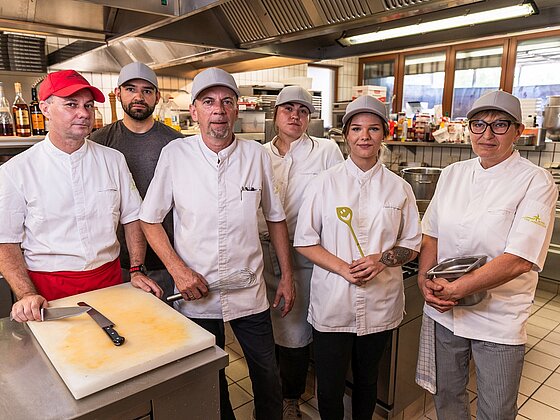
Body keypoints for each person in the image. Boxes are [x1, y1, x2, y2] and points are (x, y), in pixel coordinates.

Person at [139, 67, 295, 420]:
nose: (218, 110)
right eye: (208, 101)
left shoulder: (256, 155)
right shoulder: (176, 155)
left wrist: (287, 275)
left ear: (237, 109)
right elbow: (149, 219)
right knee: (212, 376)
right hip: (197, 289)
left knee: (267, 375)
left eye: (227, 101)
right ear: (194, 112)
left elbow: (276, 217)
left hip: (248, 287)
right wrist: (178, 271)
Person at [417, 90, 558, 420]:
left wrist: (456, 289)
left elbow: (520, 257)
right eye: (478, 125)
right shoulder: (453, 173)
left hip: (498, 318)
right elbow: (431, 234)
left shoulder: (536, 181)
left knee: (496, 410)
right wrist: (425, 279)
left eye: (500, 125)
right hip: (445, 311)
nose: (487, 134)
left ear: (518, 131)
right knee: (448, 397)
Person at [294, 95, 421, 420]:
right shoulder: (324, 184)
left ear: (384, 134)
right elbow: (305, 241)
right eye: (357, 129)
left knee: (368, 381)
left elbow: (412, 244)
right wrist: (343, 269)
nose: (365, 136)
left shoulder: (399, 188)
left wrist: (382, 259)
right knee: (331, 385)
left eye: (373, 129)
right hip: (334, 303)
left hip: (379, 304)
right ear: (346, 134)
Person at [0, 70, 162, 322]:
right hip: (49, 288)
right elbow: (5, 242)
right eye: (71, 104)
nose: (84, 113)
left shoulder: (113, 160)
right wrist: (26, 293)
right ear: (45, 108)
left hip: (110, 281)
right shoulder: (16, 171)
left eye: (88, 105)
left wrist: (136, 269)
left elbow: (132, 218)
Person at [258, 85, 344, 419]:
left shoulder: (326, 150)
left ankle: (290, 398)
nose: (295, 116)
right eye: (288, 109)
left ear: (310, 118)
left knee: (293, 329)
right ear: (275, 114)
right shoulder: (259, 153)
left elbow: (339, 200)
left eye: (303, 111)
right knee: (264, 326)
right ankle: (271, 392)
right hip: (262, 251)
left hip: (307, 254)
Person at [90, 62, 184, 301]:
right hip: (117, 261)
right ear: (117, 93)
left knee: (170, 330)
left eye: (147, 91)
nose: (139, 97)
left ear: (157, 97)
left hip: (169, 259)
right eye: (131, 89)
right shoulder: (98, 142)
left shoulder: (177, 143)